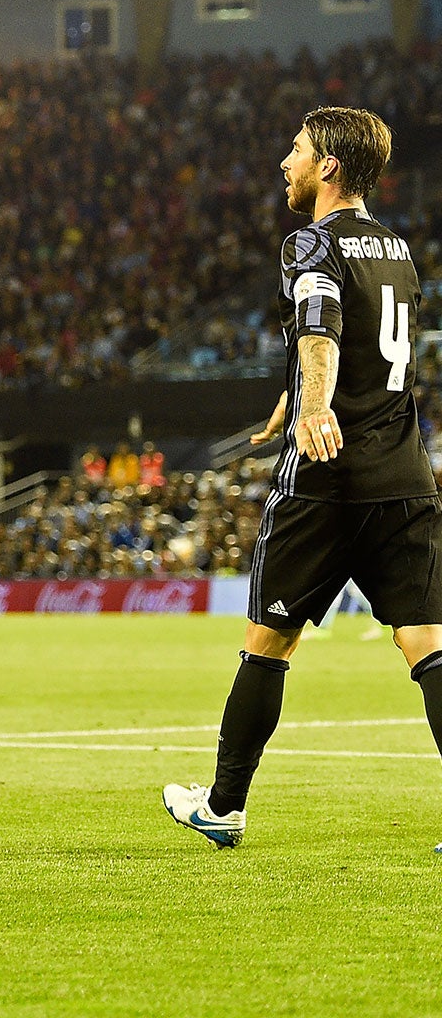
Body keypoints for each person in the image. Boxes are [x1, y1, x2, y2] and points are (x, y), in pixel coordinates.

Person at [164, 108, 442, 847]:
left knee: (268, 641)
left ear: (328, 168)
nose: (283, 162)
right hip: (403, 474)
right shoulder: (398, 249)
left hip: (326, 477)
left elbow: (320, 321)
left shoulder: (310, 242)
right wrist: (296, 388)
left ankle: (223, 806)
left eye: (295, 150)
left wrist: (313, 406)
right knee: (426, 640)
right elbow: (363, 345)